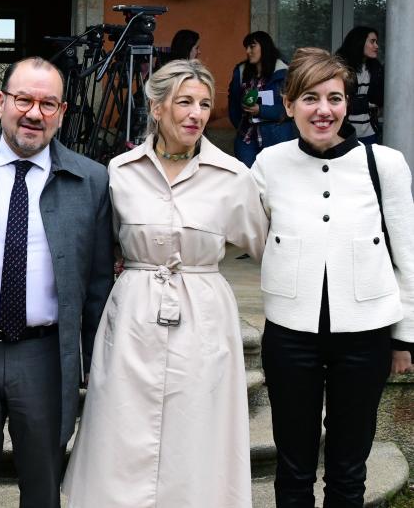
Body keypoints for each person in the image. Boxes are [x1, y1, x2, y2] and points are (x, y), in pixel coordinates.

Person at [62, 59, 268, 508]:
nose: (196, 113)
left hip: (204, 314)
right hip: (133, 312)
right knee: (121, 427)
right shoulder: (120, 171)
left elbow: (266, 245)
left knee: (196, 429)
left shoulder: (233, 177)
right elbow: (102, 247)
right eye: (184, 102)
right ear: (157, 109)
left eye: (204, 105)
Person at [0, 56, 115, 508]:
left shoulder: (91, 181)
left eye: (48, 103)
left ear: (62, 112)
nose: (34, 113)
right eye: (24, 99)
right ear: (1, 102)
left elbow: (97, 287)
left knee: (42, 487)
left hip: (45, 356)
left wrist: (97, 364)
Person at [252, 47, 414, 507]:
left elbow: (408, 255)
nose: (324, 110)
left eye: (335, 98)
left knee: (348, 468)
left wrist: (404, 339)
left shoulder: (385, 164)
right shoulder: (268, 164)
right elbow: (253, 232)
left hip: (364, 338)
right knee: (294, 467)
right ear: (289, 105)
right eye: (310, 98)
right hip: (289, 335)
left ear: (346, 103)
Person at [228, 31, 296, 167]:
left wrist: (261, 110)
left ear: (264, 47)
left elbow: (292, 108)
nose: (248, 51)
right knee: (248, 180)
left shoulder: (284, 72)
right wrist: (240, 125)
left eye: (252, 47)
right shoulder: (241, 71)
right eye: (246, 47)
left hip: (277, 138)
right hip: (247, 139)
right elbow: (233, 103)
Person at [336, 26, 384, 145]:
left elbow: (379, 100)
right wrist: (366, 104)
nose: (376, 46)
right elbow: (340, 101)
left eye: (376, 42)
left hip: (370, 131)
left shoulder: (375, 68)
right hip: (344, 132)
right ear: (359, 42)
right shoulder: (339, 67)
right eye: (372, 41)